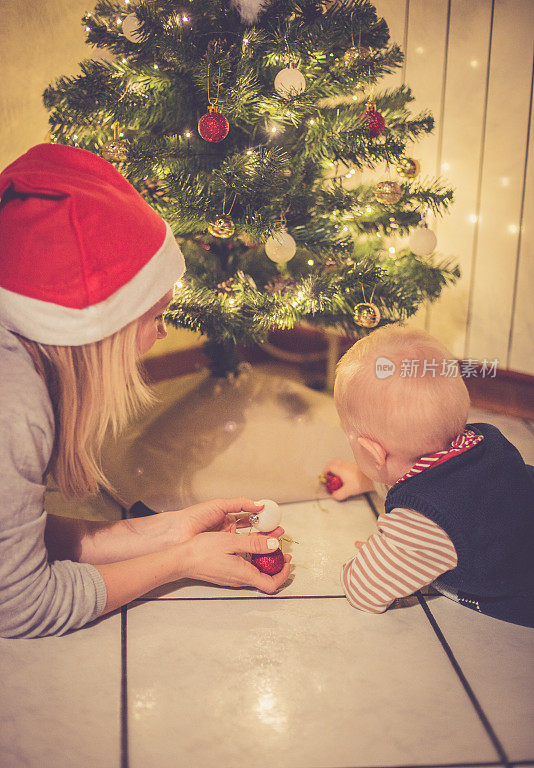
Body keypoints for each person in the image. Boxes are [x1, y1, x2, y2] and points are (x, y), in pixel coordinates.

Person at [0, 143, 291, 638]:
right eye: (155, 316)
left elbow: (16, 547)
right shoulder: (15, 408)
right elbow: (22, 604)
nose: (164, 333)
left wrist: (167, 530)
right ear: (99, 326)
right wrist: (182, 561)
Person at [324, 325, 534, 627]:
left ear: (373, 452)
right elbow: (422, 476)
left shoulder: (425, 519)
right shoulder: (481, 442)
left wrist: (378, 560)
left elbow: (364, 590)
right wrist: (366, 478)